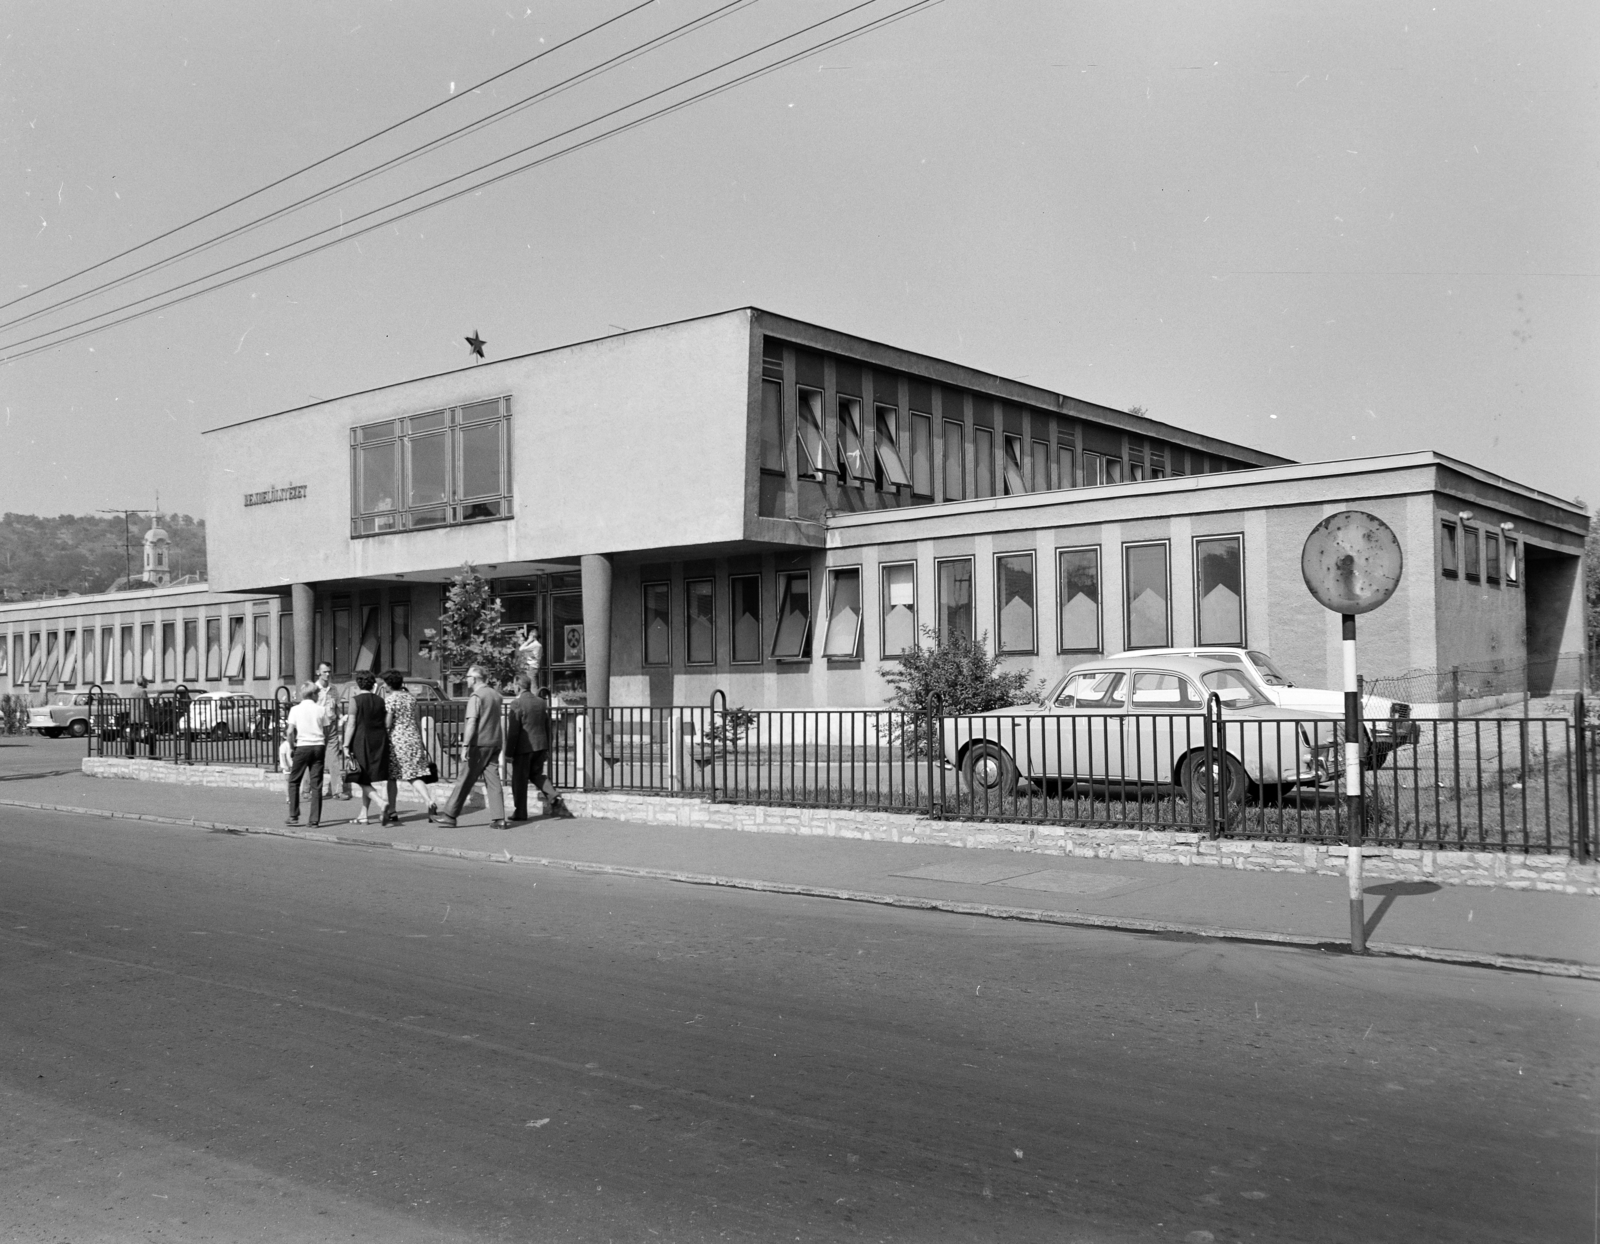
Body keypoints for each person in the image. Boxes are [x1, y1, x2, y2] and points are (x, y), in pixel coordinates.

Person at [435, 665, 505, 829]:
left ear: (474, 679)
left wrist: (465, 745)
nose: (466, 679)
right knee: (494, 780)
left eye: (467, 676)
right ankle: (499, 818)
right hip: (495, 742)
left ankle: (450, 815)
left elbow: (472, 721)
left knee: (464, 779)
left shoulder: (476, 696)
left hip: (479, 743)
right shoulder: (496, 695)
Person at [503, 674, 569, 822]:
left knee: (519, 781)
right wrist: (548, 748)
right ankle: (553, 795)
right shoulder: (540, 702)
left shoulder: (516, 704)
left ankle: (520, 812)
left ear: (518, 686)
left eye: (514, 685)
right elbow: (547, 726)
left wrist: (508, 753)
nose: (513, 687)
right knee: (536, 774)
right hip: (540, 746)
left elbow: (513, 731)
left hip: (523, 748)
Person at [381, 669, 437, 821]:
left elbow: (388, 723)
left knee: (392, 777)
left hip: (397, 741)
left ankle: (392, 810)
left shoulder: (391, 700)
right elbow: (417, 721)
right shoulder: (411, 698)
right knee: (414, 775)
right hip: (413, 739)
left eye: (385, 683)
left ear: (389, 684)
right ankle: (429, 800)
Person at [342, 671, 395, 825]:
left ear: (358, 684)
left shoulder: (355, 700)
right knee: (367, 777)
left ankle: (381, 802)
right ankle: (364, 814)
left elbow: (351, 724)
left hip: (361, 741)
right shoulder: (380, 700)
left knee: (359, 777)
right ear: (372, 684)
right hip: (379, 741)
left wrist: (345, 744)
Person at [284, 683, 326, 827]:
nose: (318, 696)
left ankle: (293, 815)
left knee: (294, 781)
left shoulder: (295, 709)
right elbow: (325, 728)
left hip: (302, 746)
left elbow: (289, 732)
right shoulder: (321, 709)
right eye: (317, 693)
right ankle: (314, 819)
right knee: (316, 784)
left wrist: (291, 747)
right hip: (318, 746)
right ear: (313, 694)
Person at [313, 662, 350, 800]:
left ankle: (337, 791)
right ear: (318, 672)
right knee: (316, 759)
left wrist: (341, 717)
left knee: (334, 759)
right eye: (324, 672)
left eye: (329, 671)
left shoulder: (333, 688)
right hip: (318, 727)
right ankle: (307, 789)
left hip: (332, 726)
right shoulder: (314, 689)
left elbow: (336, 707)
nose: (327, 674)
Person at [125, 676, 152, 758]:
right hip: (140, 718)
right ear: (143, 682)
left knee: (132, 736)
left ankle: (130, 753)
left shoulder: (133, 691)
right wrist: (146, 719)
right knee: (151, 737)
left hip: (132, 717)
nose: (147, 684)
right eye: (146, 682)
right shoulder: (143, 692)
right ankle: (152, 754)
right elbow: (144, 706)